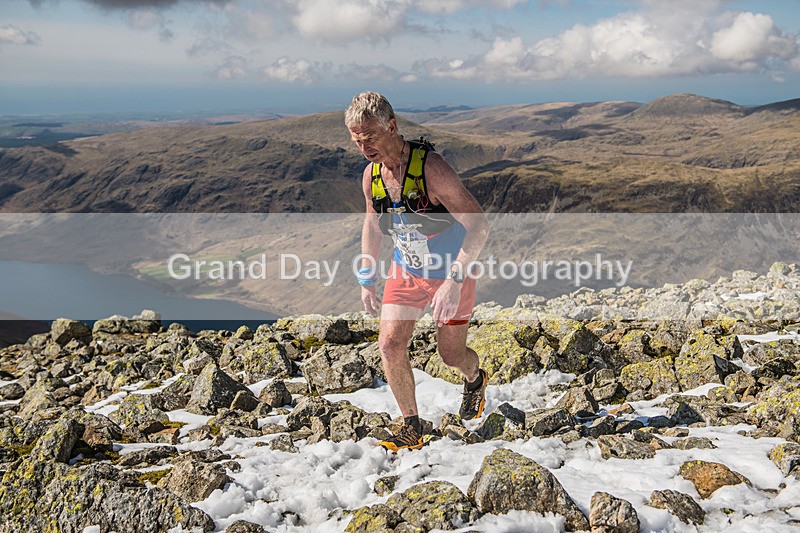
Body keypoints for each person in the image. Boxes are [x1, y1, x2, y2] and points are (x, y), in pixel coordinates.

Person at [345, 91, 490, 452]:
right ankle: (411, 426)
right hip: (406, 270)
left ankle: (475, 379)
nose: (364, 148)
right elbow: (373, 224)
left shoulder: (432, 168)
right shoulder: (371, 176)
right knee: (390, 344)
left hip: (450, 271)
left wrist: (454, 282)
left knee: (450, 355)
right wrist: (367, 276)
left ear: (391, 127)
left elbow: (479, 225)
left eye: (370, 138)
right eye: (357, 141)